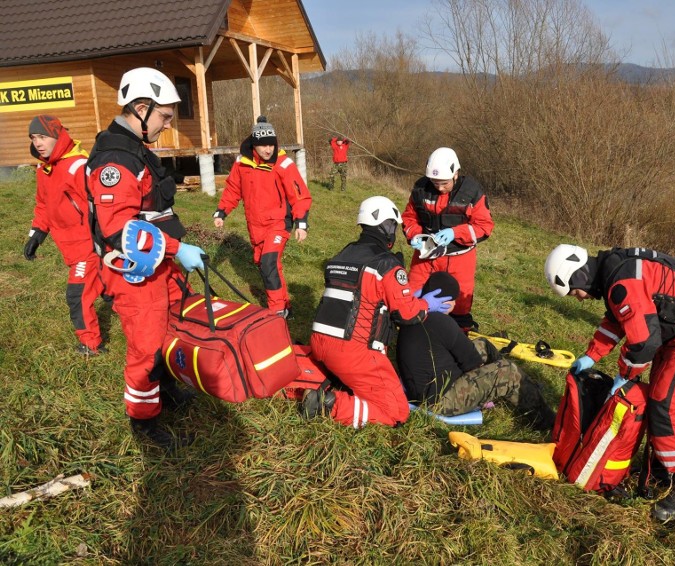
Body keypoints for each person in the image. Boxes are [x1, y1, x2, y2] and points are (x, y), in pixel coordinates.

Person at [545, 244, 675, 522]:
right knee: (659, 397)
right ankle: (663, 470)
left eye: (574, 292)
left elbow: (643, 344)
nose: (579, 299)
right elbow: (617, 320)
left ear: (579, 275)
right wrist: (591, 355)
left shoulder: (621, 282)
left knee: (668, 407)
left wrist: (626, 375)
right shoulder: (614, 275)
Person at [86, 67, 207, 450]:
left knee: (169, 332)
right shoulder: (115, 160)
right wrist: (177, 250)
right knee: (147, 346)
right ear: (141, 107)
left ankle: (165, 389)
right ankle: (144, 423)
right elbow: (119, 229)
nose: (167, 125)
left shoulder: (137, 150)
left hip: (159, 267)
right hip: (135, 274)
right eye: (164, 117)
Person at [306, 196, 453, 428]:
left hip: (319, 344)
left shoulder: (341, 256)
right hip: (355, 354)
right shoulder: (386, 264)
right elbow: (407, 315)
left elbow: (365, 295)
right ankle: (331, 406)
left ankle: (322, 386)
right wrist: (425, 304)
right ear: (387, 226)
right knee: (397, 412)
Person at [397, 271, 555, 431]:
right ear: (447, 302)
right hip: (441, 402)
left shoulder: (412, 316)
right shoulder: (443, 323)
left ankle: (526, 388)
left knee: (482, 344)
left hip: (422, 390)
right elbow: (472, 363)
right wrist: (488, 380)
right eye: (454, 301)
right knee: (507, 371)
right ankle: (546, 421)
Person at [24, 115, 107, 356]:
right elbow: (43, 204)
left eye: (42, 136)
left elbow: (100, 207)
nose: (37, 142)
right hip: (68, 247)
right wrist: (36, 235)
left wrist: (103, 243)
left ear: (57, 135)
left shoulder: (78, 166)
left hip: (88, 246)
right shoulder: (44, 167)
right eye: (33, 138)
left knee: (77, 295)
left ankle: (91, 345)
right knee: (112, 291)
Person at [213, 116, 312, 318]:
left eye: (271, 145)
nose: (268, 150)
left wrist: (301, 223)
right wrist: (222, 211)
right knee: (265, 263)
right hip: (255, 226)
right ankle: (286, 306)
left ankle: (276, 312)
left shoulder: (283, 164)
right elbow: (233, 189)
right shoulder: (242, 163)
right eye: (263, 146)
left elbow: (300, 195)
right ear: (254, 145)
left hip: (278, 223)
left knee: (268, 264)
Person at [402, 147, 494, 332]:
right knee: (412, 293)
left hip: (459, 257)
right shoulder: (420, 189)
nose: (439, 187)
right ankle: (412, 332)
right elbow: (408, 219)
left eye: (444, 183)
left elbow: (484, 226)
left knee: (459, 302)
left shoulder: (472, 193)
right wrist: (416, 235)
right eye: (435, 183)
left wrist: (456, 232)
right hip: (426, 253)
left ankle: (458, 336)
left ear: (455, 174)